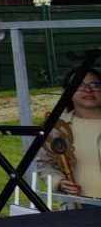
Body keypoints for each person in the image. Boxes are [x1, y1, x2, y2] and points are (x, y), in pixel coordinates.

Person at [35, 68, 101, 204]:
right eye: (80, 85)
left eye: (95, 85)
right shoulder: (57, 128)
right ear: (68, 92)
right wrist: (59, 182)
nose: (88, 90)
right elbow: (44, 164)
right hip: (80, 206)